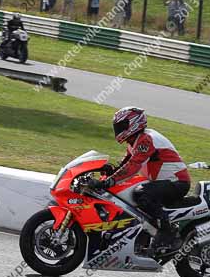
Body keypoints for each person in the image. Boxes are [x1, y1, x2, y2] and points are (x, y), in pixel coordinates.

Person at [81, 107, 191, 251]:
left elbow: (133, 166)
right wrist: (108, 172)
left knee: (141, 193)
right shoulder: (135, 141)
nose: (118, 130)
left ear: (133, 123)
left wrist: (108, 182)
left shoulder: (146, 139)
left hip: (177, 183)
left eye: (121, 126)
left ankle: (167, 233)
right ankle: (143, 236)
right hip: (162, 182)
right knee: (128, 192)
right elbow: (125, 164)